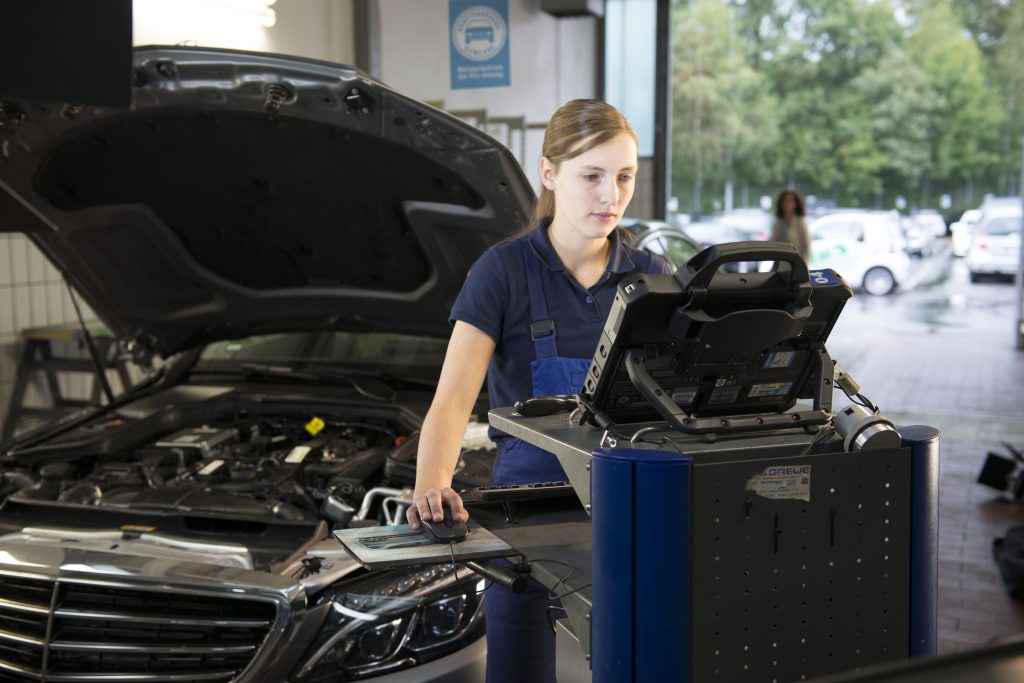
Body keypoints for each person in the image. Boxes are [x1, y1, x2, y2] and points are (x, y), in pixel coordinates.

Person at [405, 98, 672, 682]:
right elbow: (452, 401)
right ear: (549, 174)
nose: (611, 196)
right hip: (526, 514)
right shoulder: (502, 272)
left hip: (627, 512)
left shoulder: (652, 278)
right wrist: (432, 486)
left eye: (624, 177)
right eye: (591, 176)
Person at [772, 189, 811, 262]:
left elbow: (806, 246)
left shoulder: (800, 222)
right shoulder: (777, 224)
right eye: (785, 201)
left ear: (796, 204)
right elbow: (773, 244)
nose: (787, 204)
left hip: (797, 262)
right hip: (780, 263)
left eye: (790, 201)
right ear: (781, 203)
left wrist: (804, 264)